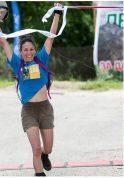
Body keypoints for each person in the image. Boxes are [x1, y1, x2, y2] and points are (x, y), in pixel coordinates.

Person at [0, 3, 62, 176]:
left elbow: (50, 37)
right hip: (28, 111)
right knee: (35, 149)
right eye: (25, 50)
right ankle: (39, 172)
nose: (28, 52)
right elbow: (3, 41)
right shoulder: (17, 64)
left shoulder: (42, 59)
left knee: (47, 147)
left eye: (31, 49)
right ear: (21, 51)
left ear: (35, 50)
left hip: (45, 109)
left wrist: (57, 13)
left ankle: (45, 154)